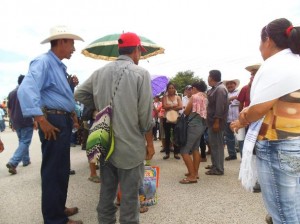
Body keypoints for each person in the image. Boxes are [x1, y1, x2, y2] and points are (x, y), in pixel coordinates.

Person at [74, 32, 155, 224]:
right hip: (130, 146)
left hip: (105, 143)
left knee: (106, 195)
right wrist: (147, 137)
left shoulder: (100, 72)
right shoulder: (141, 74)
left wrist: (97, 110)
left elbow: (79, 94)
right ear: (136, 50)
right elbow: (145, 118)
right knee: (129, 199)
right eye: (140, 52)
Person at [231, 18, 300, 223]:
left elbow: (259, 109)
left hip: (277, 144)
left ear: (268, 40)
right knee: (295, 207)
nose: (260, 48)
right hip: (295, 141)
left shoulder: (276, 65)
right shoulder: (296, 62)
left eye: (261, 42)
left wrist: (244, 116)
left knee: (283, 213)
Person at [17, 25, 83, 224]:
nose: (73, 48)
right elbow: (26, 90)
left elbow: (56, 94)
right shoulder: (43, 61)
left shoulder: (57, 66)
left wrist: (70, 112)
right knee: (54, 170)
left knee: (61, 169)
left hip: (59, 118)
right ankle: (54, 219)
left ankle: (58, 209)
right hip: (52, 120)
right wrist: (40, 119)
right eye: (71, 43)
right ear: (61, 42)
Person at [6, 75, 37, 175]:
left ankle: (26, 160)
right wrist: (36, 120)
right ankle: (13, 162)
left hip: (16, 120)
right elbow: (33, 106)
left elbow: (9, 109)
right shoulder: (26, 92)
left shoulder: (11, 93)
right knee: (25, 141)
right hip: (26, 120)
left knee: (22, 141)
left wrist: (12, 122)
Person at [179, 81, 208, 184]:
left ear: (195, 88)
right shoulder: (205, 97)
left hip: (193, 126)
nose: (191, 90)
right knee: (196, 149)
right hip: (201, 125)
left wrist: (185, 109)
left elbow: (186, 112)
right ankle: (195, 172)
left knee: (184, 150)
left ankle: (192, 176)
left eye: (192, 88)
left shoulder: (194, 97)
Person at [205, 70, 228, 175]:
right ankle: (215, 165)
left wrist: (216, 122)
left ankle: (218, 168)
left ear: (212, 77)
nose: (207, 79)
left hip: (216, 122)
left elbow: (219, 107)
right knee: (214, 145)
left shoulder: (220, 89)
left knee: (217, 146)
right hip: (211, 122)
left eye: (208, 76)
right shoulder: (215, 89)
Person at [162, 83, 182, 160]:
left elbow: (180, 107)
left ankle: (176, 153)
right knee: (167, 136)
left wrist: (169, 106)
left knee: (176, 136)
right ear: (167, 89)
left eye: (172, 88)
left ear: (175, 89)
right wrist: (174, 106)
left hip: (176, 118)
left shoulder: (178, 97)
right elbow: (164, 106)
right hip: (166, 118)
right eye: (169, 88)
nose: (171, 89)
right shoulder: (164, 97)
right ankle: (167, 153)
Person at [223, 79, 240, 161]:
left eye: (231, 84)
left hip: (239, 119)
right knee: (229, 138)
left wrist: (230, 101)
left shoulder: (239, 92)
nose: (229, 85)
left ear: (235, 84)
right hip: (228, 119)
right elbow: (222, 104)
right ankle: (232, 154)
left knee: (241, 137)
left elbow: (240, 102)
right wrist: (230, 100)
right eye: (228, 84)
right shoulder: (225, 94)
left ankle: (243, 155)